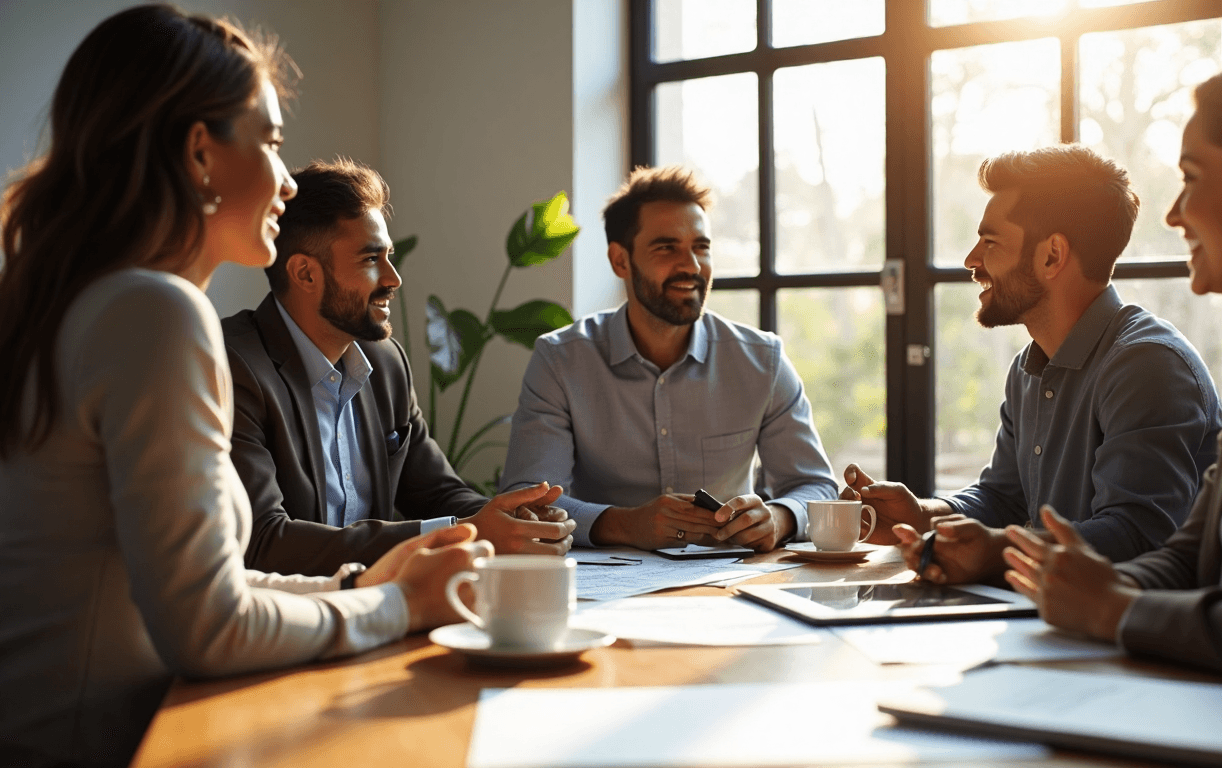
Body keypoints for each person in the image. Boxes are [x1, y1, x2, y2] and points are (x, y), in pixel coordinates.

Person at [0, 8, 489, 766]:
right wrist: (395, 605)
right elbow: (209, 627)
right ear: (201, 153)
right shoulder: (153, 314)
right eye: (269, 142)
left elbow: (205, 586)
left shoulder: (84, 303)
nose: (287, 182)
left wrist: (361, 583)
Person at [999, 43, 1222, 688]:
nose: (1173, 214)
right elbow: (1193, 555)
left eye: (1191, 176)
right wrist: (1079, 585)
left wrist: (1117, 608)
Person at [849, 145, 1222, 585]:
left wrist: (998, 553)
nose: (972, 260)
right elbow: (1003, 498)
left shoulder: (1147, 365)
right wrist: (924, 515)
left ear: (1051, 256)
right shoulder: (1029, 367)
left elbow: (1136, 535)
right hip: (1054, 618)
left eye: (990, 242)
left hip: (1130, 638)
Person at [223, 158, 576, 577]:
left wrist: (512, 521)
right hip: (291, 620)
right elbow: (263, 542)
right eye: (371, 259)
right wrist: (464, 531)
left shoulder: (384, 363)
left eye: (389, 256)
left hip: (384, 604)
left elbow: (438, 492)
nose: (394, 278)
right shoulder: (233, 366)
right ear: (305, 273)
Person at [499, 165, 838, 552]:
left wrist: (780, 518)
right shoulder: (561, 361)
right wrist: (625, 524)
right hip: (603, 589)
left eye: (701, 247)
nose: (692, 266)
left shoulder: (763, 361)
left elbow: (816, 485)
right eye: (667, 248)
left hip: (731, 584)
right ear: (620, 261)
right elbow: (529, 498)